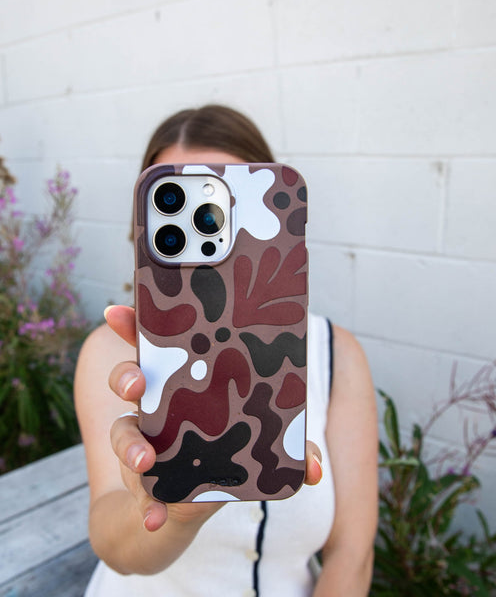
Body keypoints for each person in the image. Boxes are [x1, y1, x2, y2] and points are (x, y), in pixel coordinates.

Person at [74, 105, 378, 596]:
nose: (208, 231)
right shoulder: (112, 353)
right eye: (175, 200)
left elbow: (352, 552)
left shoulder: (335, 353)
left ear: (274, 214)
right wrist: (176, 516)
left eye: (223, 203)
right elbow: (112, 546)